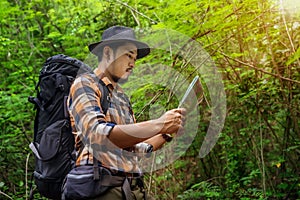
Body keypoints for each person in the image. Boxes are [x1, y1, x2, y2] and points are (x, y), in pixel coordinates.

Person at [64, 25, 186, 200]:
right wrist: (159, 123)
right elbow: (97, 134)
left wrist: (166, 133)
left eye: (135, 58)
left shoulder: (121, 98)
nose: (132, 64)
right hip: (98, 188)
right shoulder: (85, 84)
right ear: (107, 53)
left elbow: (133, 149)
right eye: (128, 55)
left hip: (130, 189)